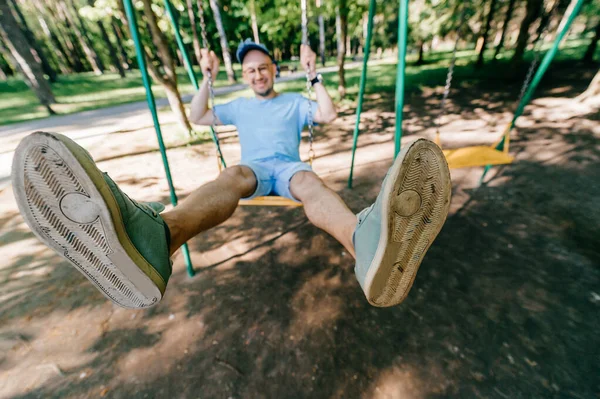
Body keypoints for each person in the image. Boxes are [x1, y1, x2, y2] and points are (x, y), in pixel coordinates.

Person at [11, 40, 451, 310]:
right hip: (252, 170)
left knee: (312, 183)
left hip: (290, 168)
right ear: (244, 76)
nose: (257, 74)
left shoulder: (295, 100)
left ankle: (365, 244)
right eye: (250, 71)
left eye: (263, 68)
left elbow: (329, 113)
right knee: (230, 177)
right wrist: (208, 77)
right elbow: (199, 114)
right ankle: (157, 239)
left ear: (274, 70)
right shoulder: (238, 104)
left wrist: (314, 74)